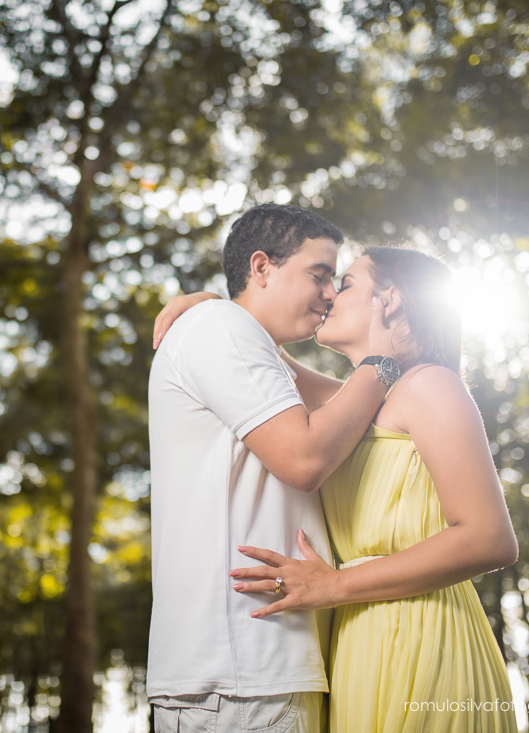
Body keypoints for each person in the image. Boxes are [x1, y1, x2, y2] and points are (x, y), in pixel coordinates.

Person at [157, 246, 519, 731]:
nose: (329, 297)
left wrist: (335, 584)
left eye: (345, 284)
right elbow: (262, 356)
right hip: (355, 641)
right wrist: (218, 309)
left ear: (389, 301)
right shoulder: (360, 400)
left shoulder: (432, 386)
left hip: (421, 633)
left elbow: (489, 539)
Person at [147, 204, 406, 732]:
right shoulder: (221, 326)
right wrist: (382, 361)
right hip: (243, 675)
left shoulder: (237, 337)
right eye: (320, 274)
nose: (331, 294)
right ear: (261, 267)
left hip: (254, 676)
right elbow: (305, 458)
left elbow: (373, 419)